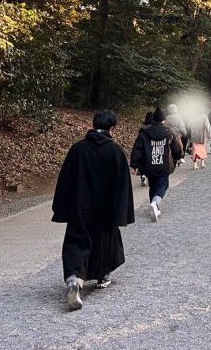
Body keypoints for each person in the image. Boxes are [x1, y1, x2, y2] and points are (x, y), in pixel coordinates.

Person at [52, 110, 134, 311]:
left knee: (76, 242)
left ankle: (74, 279)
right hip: (106, 209)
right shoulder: (116, 152)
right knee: (106, 242)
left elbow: (65, 180)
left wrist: (62, 206)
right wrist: (121, 212)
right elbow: (122, 185)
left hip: (80, 206)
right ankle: (102, 275)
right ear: (112, 128)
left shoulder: (78, 149)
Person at [130, 107, 183, 222]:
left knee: (153, 185)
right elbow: (176, 149)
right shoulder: (169, 133)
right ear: (164, 119)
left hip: (149, 165)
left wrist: (134, 164)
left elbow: (137, 149)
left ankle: (154, 206)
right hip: (164, 164)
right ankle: (155, 203)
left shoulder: (144, 134)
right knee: (163, 185)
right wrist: (179, 157)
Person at [138, 111, 153, 185]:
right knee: (150, 162)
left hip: (142, 147)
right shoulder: (153, 127)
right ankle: (150, 178)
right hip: (151, 147)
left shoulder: (142, 127)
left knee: (143, 162)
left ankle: (143, 175)